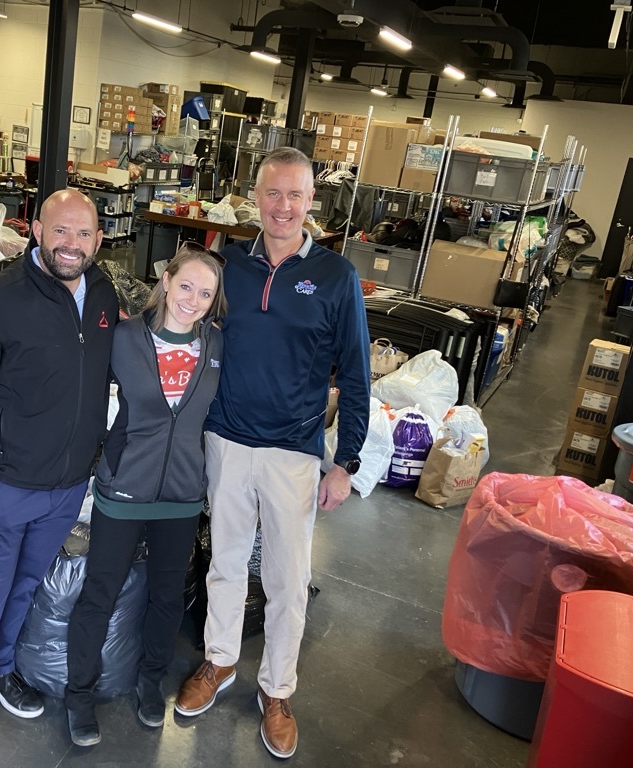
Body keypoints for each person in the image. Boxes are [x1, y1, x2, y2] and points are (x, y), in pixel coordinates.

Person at [174, 147, 371, 760]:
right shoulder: (227, 264)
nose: (283, 207)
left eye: (295, 195)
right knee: (225, 564)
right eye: (272, 194)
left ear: (312, 200)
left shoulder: (335, 276)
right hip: (227, 440)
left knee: (288, 577)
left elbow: (358, 376)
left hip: (292, 452)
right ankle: (219, 662)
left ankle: (278, 690)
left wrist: (346, 462)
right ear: (254, 196)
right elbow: (186, 324)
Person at [0, 188, 119, 768]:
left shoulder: (104, 294)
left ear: (99, 238)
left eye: (83, 233)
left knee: (24, 587)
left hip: (67, 488)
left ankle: (1, 669)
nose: (71, 244)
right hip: (5, 489)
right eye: (60, 231)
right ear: (36, 229)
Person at [64, 244, 227, 747]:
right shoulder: (125, 338)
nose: (192, 300)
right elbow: (80, 392)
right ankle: (79, 695)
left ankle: (149, 680)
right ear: (166, 280)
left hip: (180, 495)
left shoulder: (218, 346)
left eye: (205, 294)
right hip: (123, 490)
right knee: (100, 593)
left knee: (165, 596)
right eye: (186, 286)